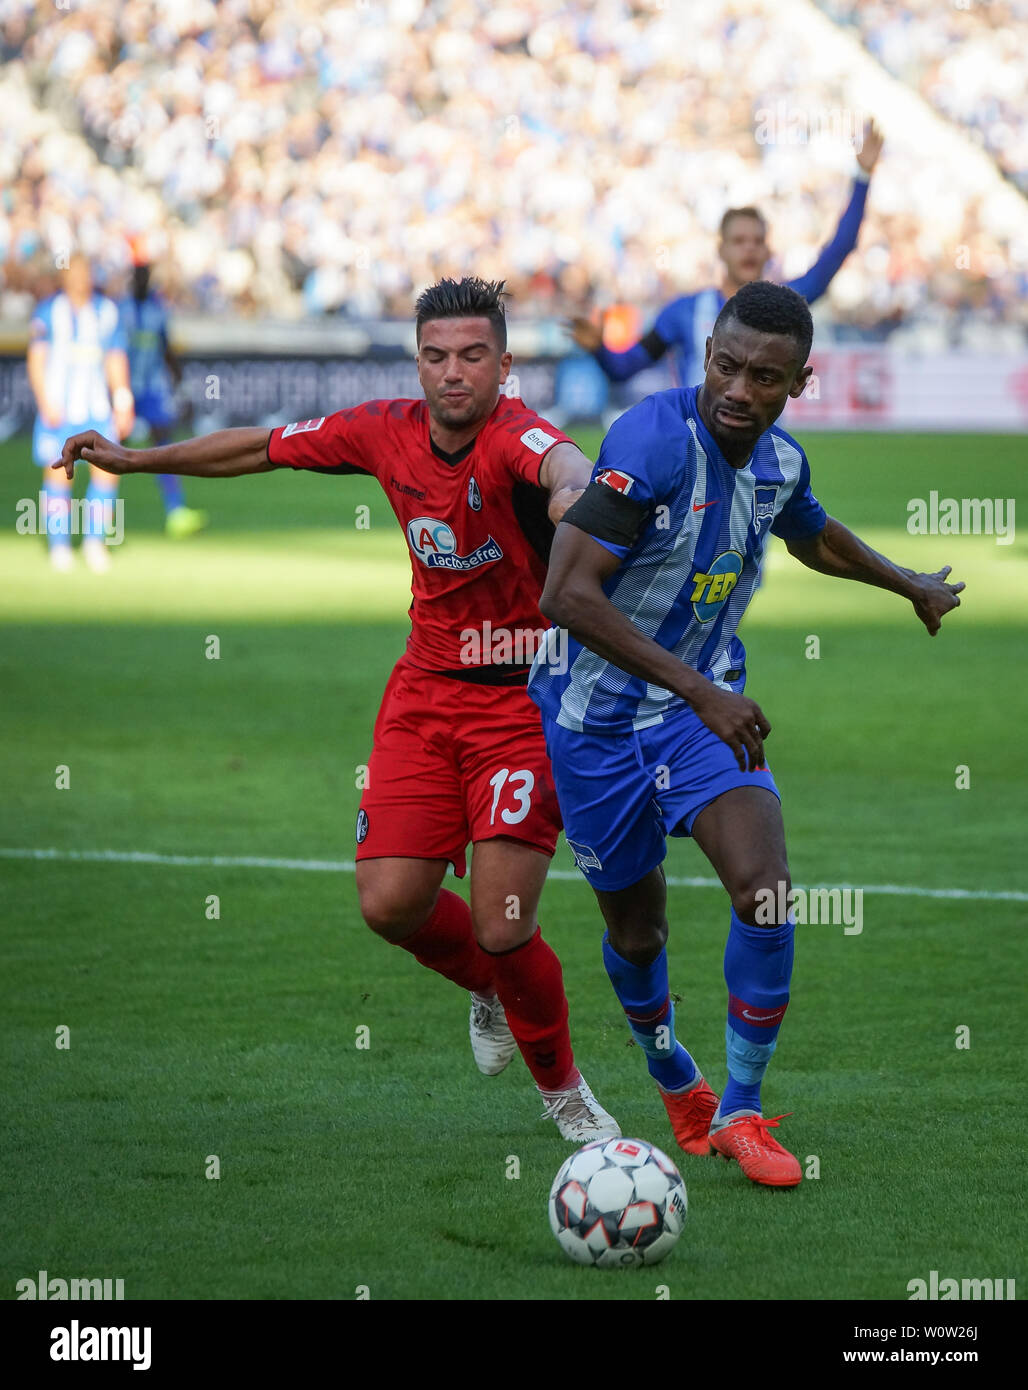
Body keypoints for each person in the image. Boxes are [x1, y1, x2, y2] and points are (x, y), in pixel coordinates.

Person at [55, 276, 620, 1144]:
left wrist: (569, 498)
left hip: (521, 705)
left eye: (474, 356)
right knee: (391, 905)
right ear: (418, 362)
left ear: (505, 366)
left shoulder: (518, 437)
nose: (453, 374)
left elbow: (563, 464)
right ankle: (484, 989)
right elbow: (262, 448)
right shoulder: (383, 430)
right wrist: (137, 461)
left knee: (506, 927)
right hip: (424, 697)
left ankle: (568, 1098)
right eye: (436, 356)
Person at [528, 280, 963, 1185]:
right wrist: (699, 689)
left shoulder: (781, 463)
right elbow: (565, 594)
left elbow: (812, 534)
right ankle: (670, 1071)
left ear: (798, 383)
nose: (738, 388)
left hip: (699, 716)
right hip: (597, 724)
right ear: (707, 356)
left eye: (764, 376)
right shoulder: (649, 440)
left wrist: (908, 582)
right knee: (638, 935)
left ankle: (740, 1111)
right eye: (725, 365)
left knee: (766, 891)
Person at [568, 120, 884, 390]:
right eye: (739, 240)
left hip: (759, 458)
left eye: (757, 241)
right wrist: (600, 349)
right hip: (697, 456)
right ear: (721, 250)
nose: (748, 248)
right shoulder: (683, 312)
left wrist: (862, 178)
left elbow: (838, 250)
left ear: (768, 251)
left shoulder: (787, 305)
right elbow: (625, 369)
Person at [27, 253, 134, 572]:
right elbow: (37, 360)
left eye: (86, 271)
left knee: (107, 473)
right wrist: (45, 401)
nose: (81, 278)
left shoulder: (106, 311)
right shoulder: (48, 312)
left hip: (97, 410)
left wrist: (123, 400)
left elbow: (115, 359)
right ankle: (59, 546)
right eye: (75, 272)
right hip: (60, 410)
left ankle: (94, 542)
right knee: (59, 474)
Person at [119, 260, 209, 538]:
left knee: (165, 445)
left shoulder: (157, 310)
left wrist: (183, 388)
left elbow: (166, 349)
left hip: (153, 389)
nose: (143, 282)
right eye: (139, 277)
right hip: (123, 388)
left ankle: (176, 512)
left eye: (146, 277)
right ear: (133, 279)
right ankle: (97, 511)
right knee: (108, 447)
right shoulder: (120, 311)